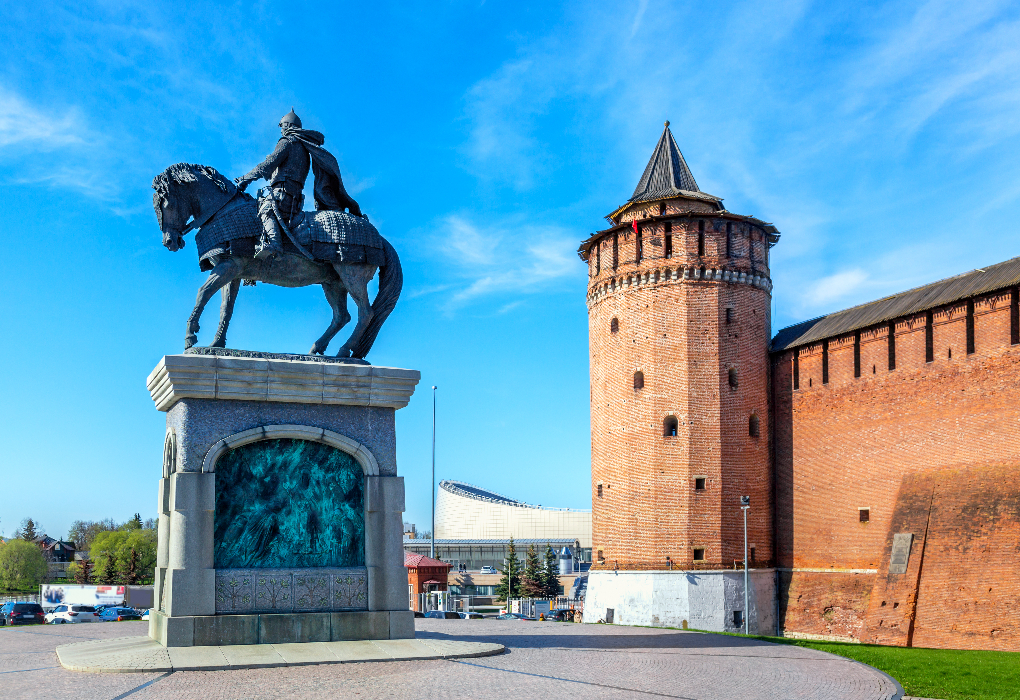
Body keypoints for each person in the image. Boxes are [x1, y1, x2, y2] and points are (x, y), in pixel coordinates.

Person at [236, 109, 363, 259]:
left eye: (282, 126)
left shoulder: (287, 142)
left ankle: (275, 245)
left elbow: (268, 164)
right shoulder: (304, 147)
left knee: (266, 210)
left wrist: (246, 178)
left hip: (282, 197)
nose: (282, 130)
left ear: (288, 125)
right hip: (294, 199)